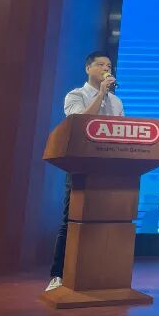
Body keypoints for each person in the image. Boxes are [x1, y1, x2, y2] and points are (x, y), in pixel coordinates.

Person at [46, 51, 124, 292]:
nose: (106, 68)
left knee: (109, 221)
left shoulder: (117, 102)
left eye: (109, 65)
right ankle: (58, 275)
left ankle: (102, 275)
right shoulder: (75, 95)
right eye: (100, 64)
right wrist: (101, 95)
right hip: (81, 167)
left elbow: (122, 132)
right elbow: (79, 124)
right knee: (71, 220)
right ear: (88, 68)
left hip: (110, 168)